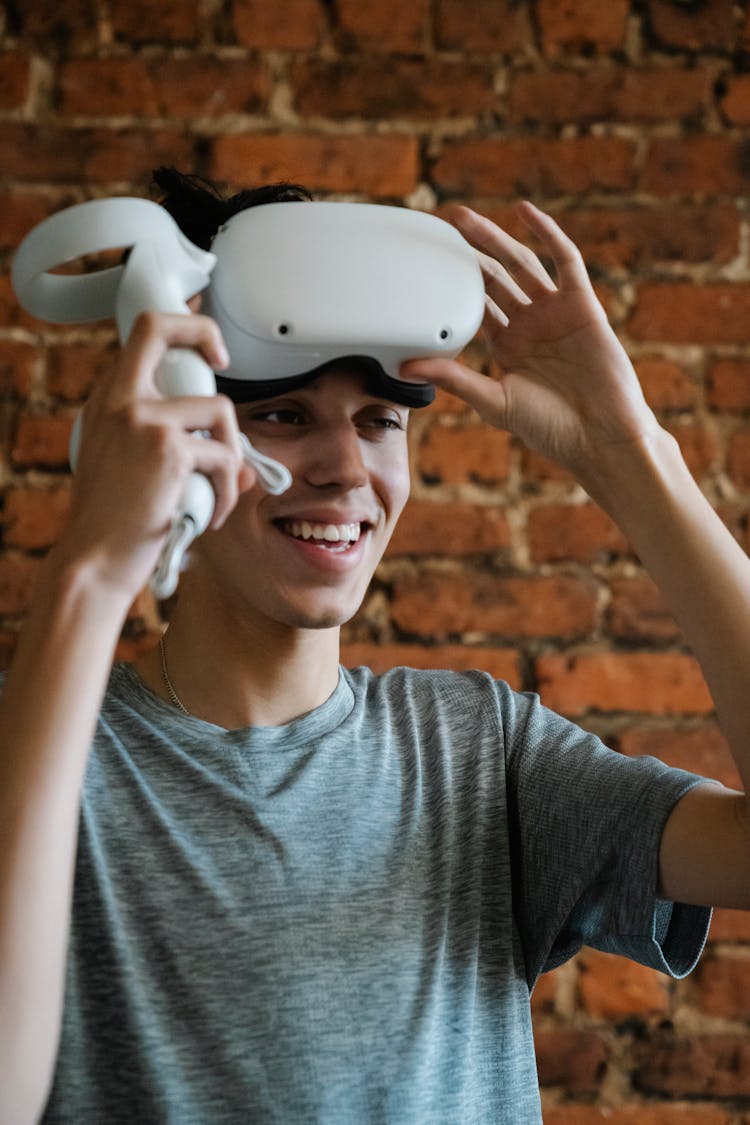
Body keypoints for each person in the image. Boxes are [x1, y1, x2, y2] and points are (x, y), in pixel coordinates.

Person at [1, 167, 749, 1125]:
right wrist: (89, 570)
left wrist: (632, 455)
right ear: (175, 426)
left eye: (379, 421)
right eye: (284, 414)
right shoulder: (43, 743)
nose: (347, 467)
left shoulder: (480, 751)